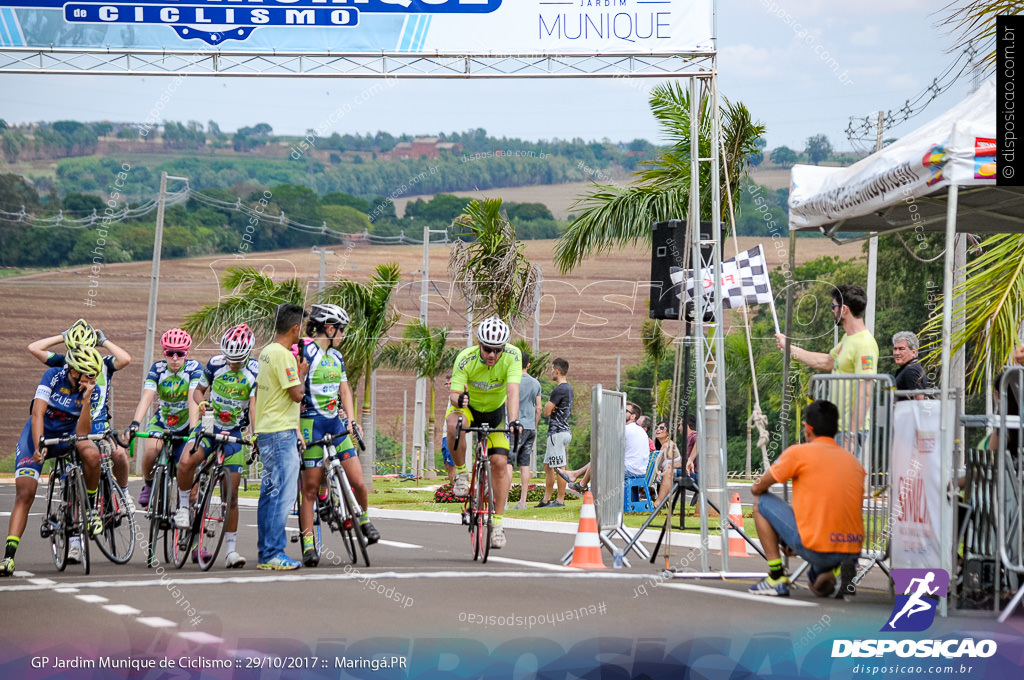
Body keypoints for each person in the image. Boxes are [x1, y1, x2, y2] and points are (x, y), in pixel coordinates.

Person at [2, 346, 106, 575]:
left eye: (96, 374)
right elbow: (37, 412)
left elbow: (83, 432)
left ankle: (89, 510)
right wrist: (39, 443)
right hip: (39, 435)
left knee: (91, 453)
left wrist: (87, 400)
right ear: (75, 371)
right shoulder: (53, 377)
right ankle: (9, 557)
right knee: (26, 492)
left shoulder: (92, 389)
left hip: (68, 436)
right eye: (89, 374)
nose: (93, 378)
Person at [748, 400, 865, 597]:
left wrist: (784, 536)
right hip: (852, 547)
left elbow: (759, 486)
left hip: (817, 545)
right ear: (835, 430)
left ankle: (776, 575)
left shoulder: (799, 453)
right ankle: (832, 570)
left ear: (807, 429)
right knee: (816, 587)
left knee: (761, 501)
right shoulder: (853, 462)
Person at [297, 304, 378, 568]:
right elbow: (295, 390)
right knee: (309, 489)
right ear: (329, 328)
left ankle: (364, 521)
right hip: (311, 425)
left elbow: (344, 389)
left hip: (335, 424)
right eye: (341, 329)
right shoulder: (305, 352)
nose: (343, 334)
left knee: (359, 482)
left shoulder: (337, 357)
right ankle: (309, 544)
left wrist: (352, 420)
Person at [28, 320, 132, 514]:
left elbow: (125, 359)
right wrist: (62, 335)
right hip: (76, 426)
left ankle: (123, 495)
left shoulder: (105, 364)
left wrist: (104, 341)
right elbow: (33, 348)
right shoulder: (65, 365)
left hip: (99, 427)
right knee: (74, 472)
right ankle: (75, 517)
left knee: (118, 454)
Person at [175, 324, 258, 569]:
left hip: (233, 431)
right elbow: (198, 392)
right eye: (229, 359)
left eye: (238, 361)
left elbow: (254, 406)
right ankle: (182, 507)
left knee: (230, 497)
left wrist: (255, 436)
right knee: (187, 460)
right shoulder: (213, 364)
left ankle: (231, 550)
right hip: (210, 426)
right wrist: (202, 404)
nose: (232, 364)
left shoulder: (255, 370)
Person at [446, 317, 523, 549]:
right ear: (479, 344)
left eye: (497, 350)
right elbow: (453, 393)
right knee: (453, 424)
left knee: (500, 462)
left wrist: (514, 420)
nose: (492, 354)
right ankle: (461, 474)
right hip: (467, 408)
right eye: (487, 348)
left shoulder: (513, 356)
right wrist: (459, 398)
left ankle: (497, 524)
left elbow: (513, 391)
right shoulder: (465, 358)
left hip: (495, 412)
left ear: (504, 348)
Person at [775, 284, 879, 441]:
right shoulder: (848, 338)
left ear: (844, 309)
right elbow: (824, 362)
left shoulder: (864, 344)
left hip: (848, 432)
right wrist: (788, 347)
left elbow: (866, 392)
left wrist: (851, 435)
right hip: (837, 429)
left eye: (833, 306)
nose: (832, 310)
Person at [254, 304, 309, 571]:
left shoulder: (266, 352)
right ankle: (273, 553)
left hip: (266, 430)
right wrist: (301, 375)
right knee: (283, 495)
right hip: (280, 432)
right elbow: (296, 394)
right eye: (303, 328)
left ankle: (266, 551)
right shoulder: (285, 356)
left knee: (269, 494)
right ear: (295, 328)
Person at [131, 328, 203, 512]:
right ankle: (148, 485)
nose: (175, 358)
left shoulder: (194, 368)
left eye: (180, 353)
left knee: (185, 468)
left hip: (187, 423)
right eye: (170, 353)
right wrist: (135, 423)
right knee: (150, 452)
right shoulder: (158, 368)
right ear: (164, 353)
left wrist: (194, 429)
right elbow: (147, 397)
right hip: (163, 421)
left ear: (186, 353)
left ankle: (188, 508)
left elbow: (192, 398)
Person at [538, 358, 573, 508]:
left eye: (552, 369)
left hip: (557, 432)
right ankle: (546, 499)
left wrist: (549, 406)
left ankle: (560, 500)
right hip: (562, 431)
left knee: (559, 467)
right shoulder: (569, 388)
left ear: (557, 371)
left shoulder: (560, 389)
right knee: (548, 466)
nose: (551, 372)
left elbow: (546, 411)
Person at [509, 352, 542, 511]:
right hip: (530, 428)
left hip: (514, 427)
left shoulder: (512, 382)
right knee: (524, 464)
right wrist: (534, 425)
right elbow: (539, 408)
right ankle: (523, 501)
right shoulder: (536, 383)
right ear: (528, 365)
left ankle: (504, 500)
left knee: (509, 462)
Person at [892, 331, 928, 400]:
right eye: (895, 349)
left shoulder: (911, 371)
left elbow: (919, 400)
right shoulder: (911, 368)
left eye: (901, 349)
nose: (896, 353)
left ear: (914, 352)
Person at [652, 420, 682, 506]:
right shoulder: (663, 445)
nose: (658, 430)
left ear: (668, 432)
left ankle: (658, 502)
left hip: (672, 474)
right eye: (656, 428)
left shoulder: (668, 445)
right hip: (666, 475)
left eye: (661, 428)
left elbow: (656, 465)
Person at [624, 402, 650, 478]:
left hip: (629, 470)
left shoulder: (626, 429)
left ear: (633, 416)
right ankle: (586, 486)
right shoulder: (640, 430)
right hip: (640, 471)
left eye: (625, 411)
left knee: (596, 463)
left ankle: (588, 488)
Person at [440, 374, 456, 485]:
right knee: (446, 462)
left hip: (452, 434)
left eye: (451, 383)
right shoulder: (450, 398)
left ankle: (455, 488)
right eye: (447, 384)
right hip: (445, 434)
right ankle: (452, 486)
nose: (448, 386)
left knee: (451, 463)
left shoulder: (457, 397)